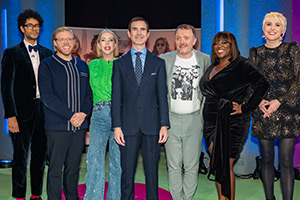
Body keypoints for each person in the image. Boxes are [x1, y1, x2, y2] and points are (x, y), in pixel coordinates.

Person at [199, 31, 269, 200]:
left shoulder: (242, 64)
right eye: (216, 43)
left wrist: (246, 107)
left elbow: (263, 84)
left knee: (225, 165)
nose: (220, 46)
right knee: (217, 166)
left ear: (232, 46)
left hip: (232, 121)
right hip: (210, 122)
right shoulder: (213, 66)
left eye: (225, 43)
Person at [111, 16, 170, 200]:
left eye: (142, 29)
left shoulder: (158, 63)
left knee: (152, 174)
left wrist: (164, 124)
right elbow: (116, 98)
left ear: (148, 34)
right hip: (127, 126)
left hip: (152, 126)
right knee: (126, 174)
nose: (138, 33)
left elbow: (162, 96)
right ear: (129, 34)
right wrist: (117, 126)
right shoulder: (119, 64)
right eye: (134, 29)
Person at [1, 9, 52, 200]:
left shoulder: (47, 53)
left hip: (43, 112)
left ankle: (36, 194)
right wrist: (11, 116)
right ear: (22, 28)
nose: (34, 29)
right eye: (30, 25)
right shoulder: (12, 53)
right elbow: (6, 87)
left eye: (37, 25)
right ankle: (19, 195)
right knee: (20, 158)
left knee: (39, 157)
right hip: (21, 115)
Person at [248, 12, 300, 200]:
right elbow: (250, 83)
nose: (272, 28)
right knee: (267, 160)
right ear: (263, 29)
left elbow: (298, 80)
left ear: (283, 30)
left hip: (287, 113)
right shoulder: (255, 53)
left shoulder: (293, 49)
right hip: (264, 112)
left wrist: (280, 101)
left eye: (277, 25)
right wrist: (258, 101)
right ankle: (269, 198)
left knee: (286, 162)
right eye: (268, 24)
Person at [38, 27, 93, 200]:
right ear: (55, 43)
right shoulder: (46, 65)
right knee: (55, 169)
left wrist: (83, 113)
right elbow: (47, 97)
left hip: (79, 127)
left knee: (73, 168)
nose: (67, 42)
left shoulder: (82, 65)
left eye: (69, 39)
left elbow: (88, 94)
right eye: (62, 39)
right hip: (57, 126)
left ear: (74, 41)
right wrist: (71, 115)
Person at [160, 24, 210, 200]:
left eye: (186, 37)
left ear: (194, 41)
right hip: (171, 120)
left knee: (191, 165)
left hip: (195, 119)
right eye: (179, 38)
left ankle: (187, 198)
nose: (182, 42)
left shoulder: (205, 60)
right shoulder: (164, 60)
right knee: (173, 166)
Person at [84, 29, 121, 200]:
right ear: (98, 44)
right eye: (103, 40)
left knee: (117, 161)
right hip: (98, 114)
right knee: (94, 160)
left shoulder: (122, 64)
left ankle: (115, 197)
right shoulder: (91, 65)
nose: (107, 44)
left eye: (110, 40)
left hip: (119, 115)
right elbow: (85, 93)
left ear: (115, 44)